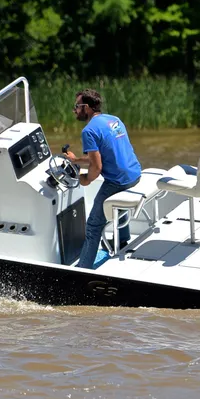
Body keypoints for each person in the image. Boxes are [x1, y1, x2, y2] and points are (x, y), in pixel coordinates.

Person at [65, 89, 141, 268]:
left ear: (88, 108)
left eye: (77, 106)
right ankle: (122, 241)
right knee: (117, 204)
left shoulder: (88, 131)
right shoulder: (114, 119)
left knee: (93, 226)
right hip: (134, 174)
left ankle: (83, 270)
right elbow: (102, 155)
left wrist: (85, 179)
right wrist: (76, 160)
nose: (74, 110)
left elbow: (97, 168)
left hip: (118, 181)